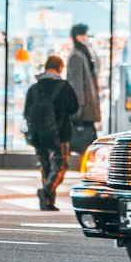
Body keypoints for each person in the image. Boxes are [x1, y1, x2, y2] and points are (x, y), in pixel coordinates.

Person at [24, 55, 79, 211]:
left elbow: (26, 112)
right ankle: (46, 191)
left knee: (46, 167)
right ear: (60, 68)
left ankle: (48, 202)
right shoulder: (64, 87)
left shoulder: (34, 89)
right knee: (60, 166)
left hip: (37, 135)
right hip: (60, 134)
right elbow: (74, 108)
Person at [66, 22, 101, 154]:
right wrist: (78, 108)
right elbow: (77, 84)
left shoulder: (84, 53)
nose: (86, 37)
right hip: (84, 108)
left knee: (90, 141)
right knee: (88, 142)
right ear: (78, 36)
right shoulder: (76, 55)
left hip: (86, 107)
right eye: (84, 34)